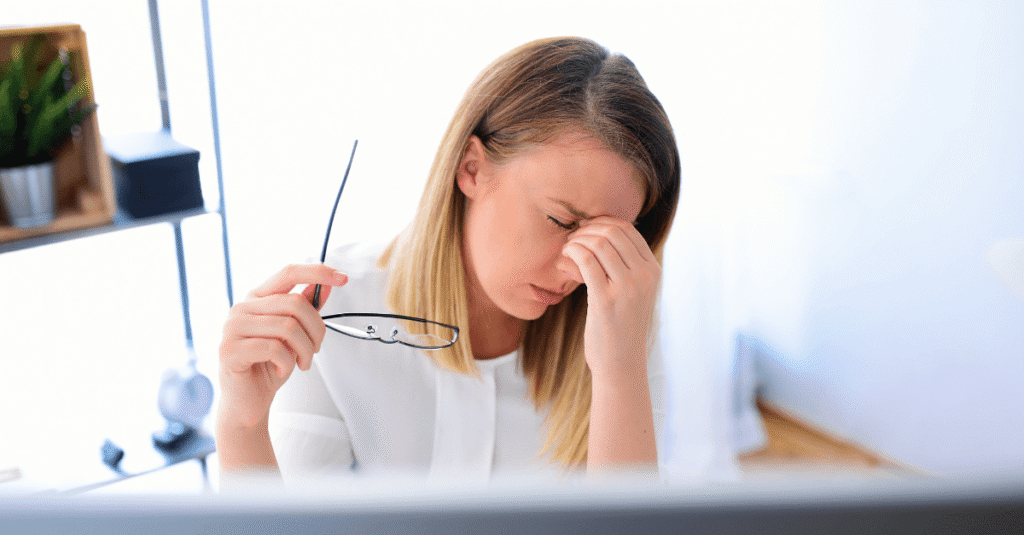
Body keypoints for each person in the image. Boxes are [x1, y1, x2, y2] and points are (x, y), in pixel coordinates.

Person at [216, 36, 681, 483]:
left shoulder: (617, 319)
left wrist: (619, 372)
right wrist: (242, 425)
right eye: (561, 221)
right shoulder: (331, 309)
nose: (579, 270)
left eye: (611, 241)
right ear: (471, 168)